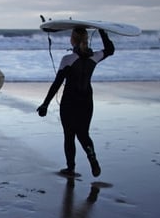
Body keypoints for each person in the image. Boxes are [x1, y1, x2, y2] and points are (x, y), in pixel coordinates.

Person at [37, 27, 114, 177]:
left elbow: (57, 84)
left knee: (69, 135)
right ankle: (92, 158)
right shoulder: (94, 57)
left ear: (72, 40)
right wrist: (102, 32)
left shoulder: (68, 60)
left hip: (70, 101)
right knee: (84, 134)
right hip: (86, 101)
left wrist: (45, 104)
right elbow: (110, 49)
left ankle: (70, 168)